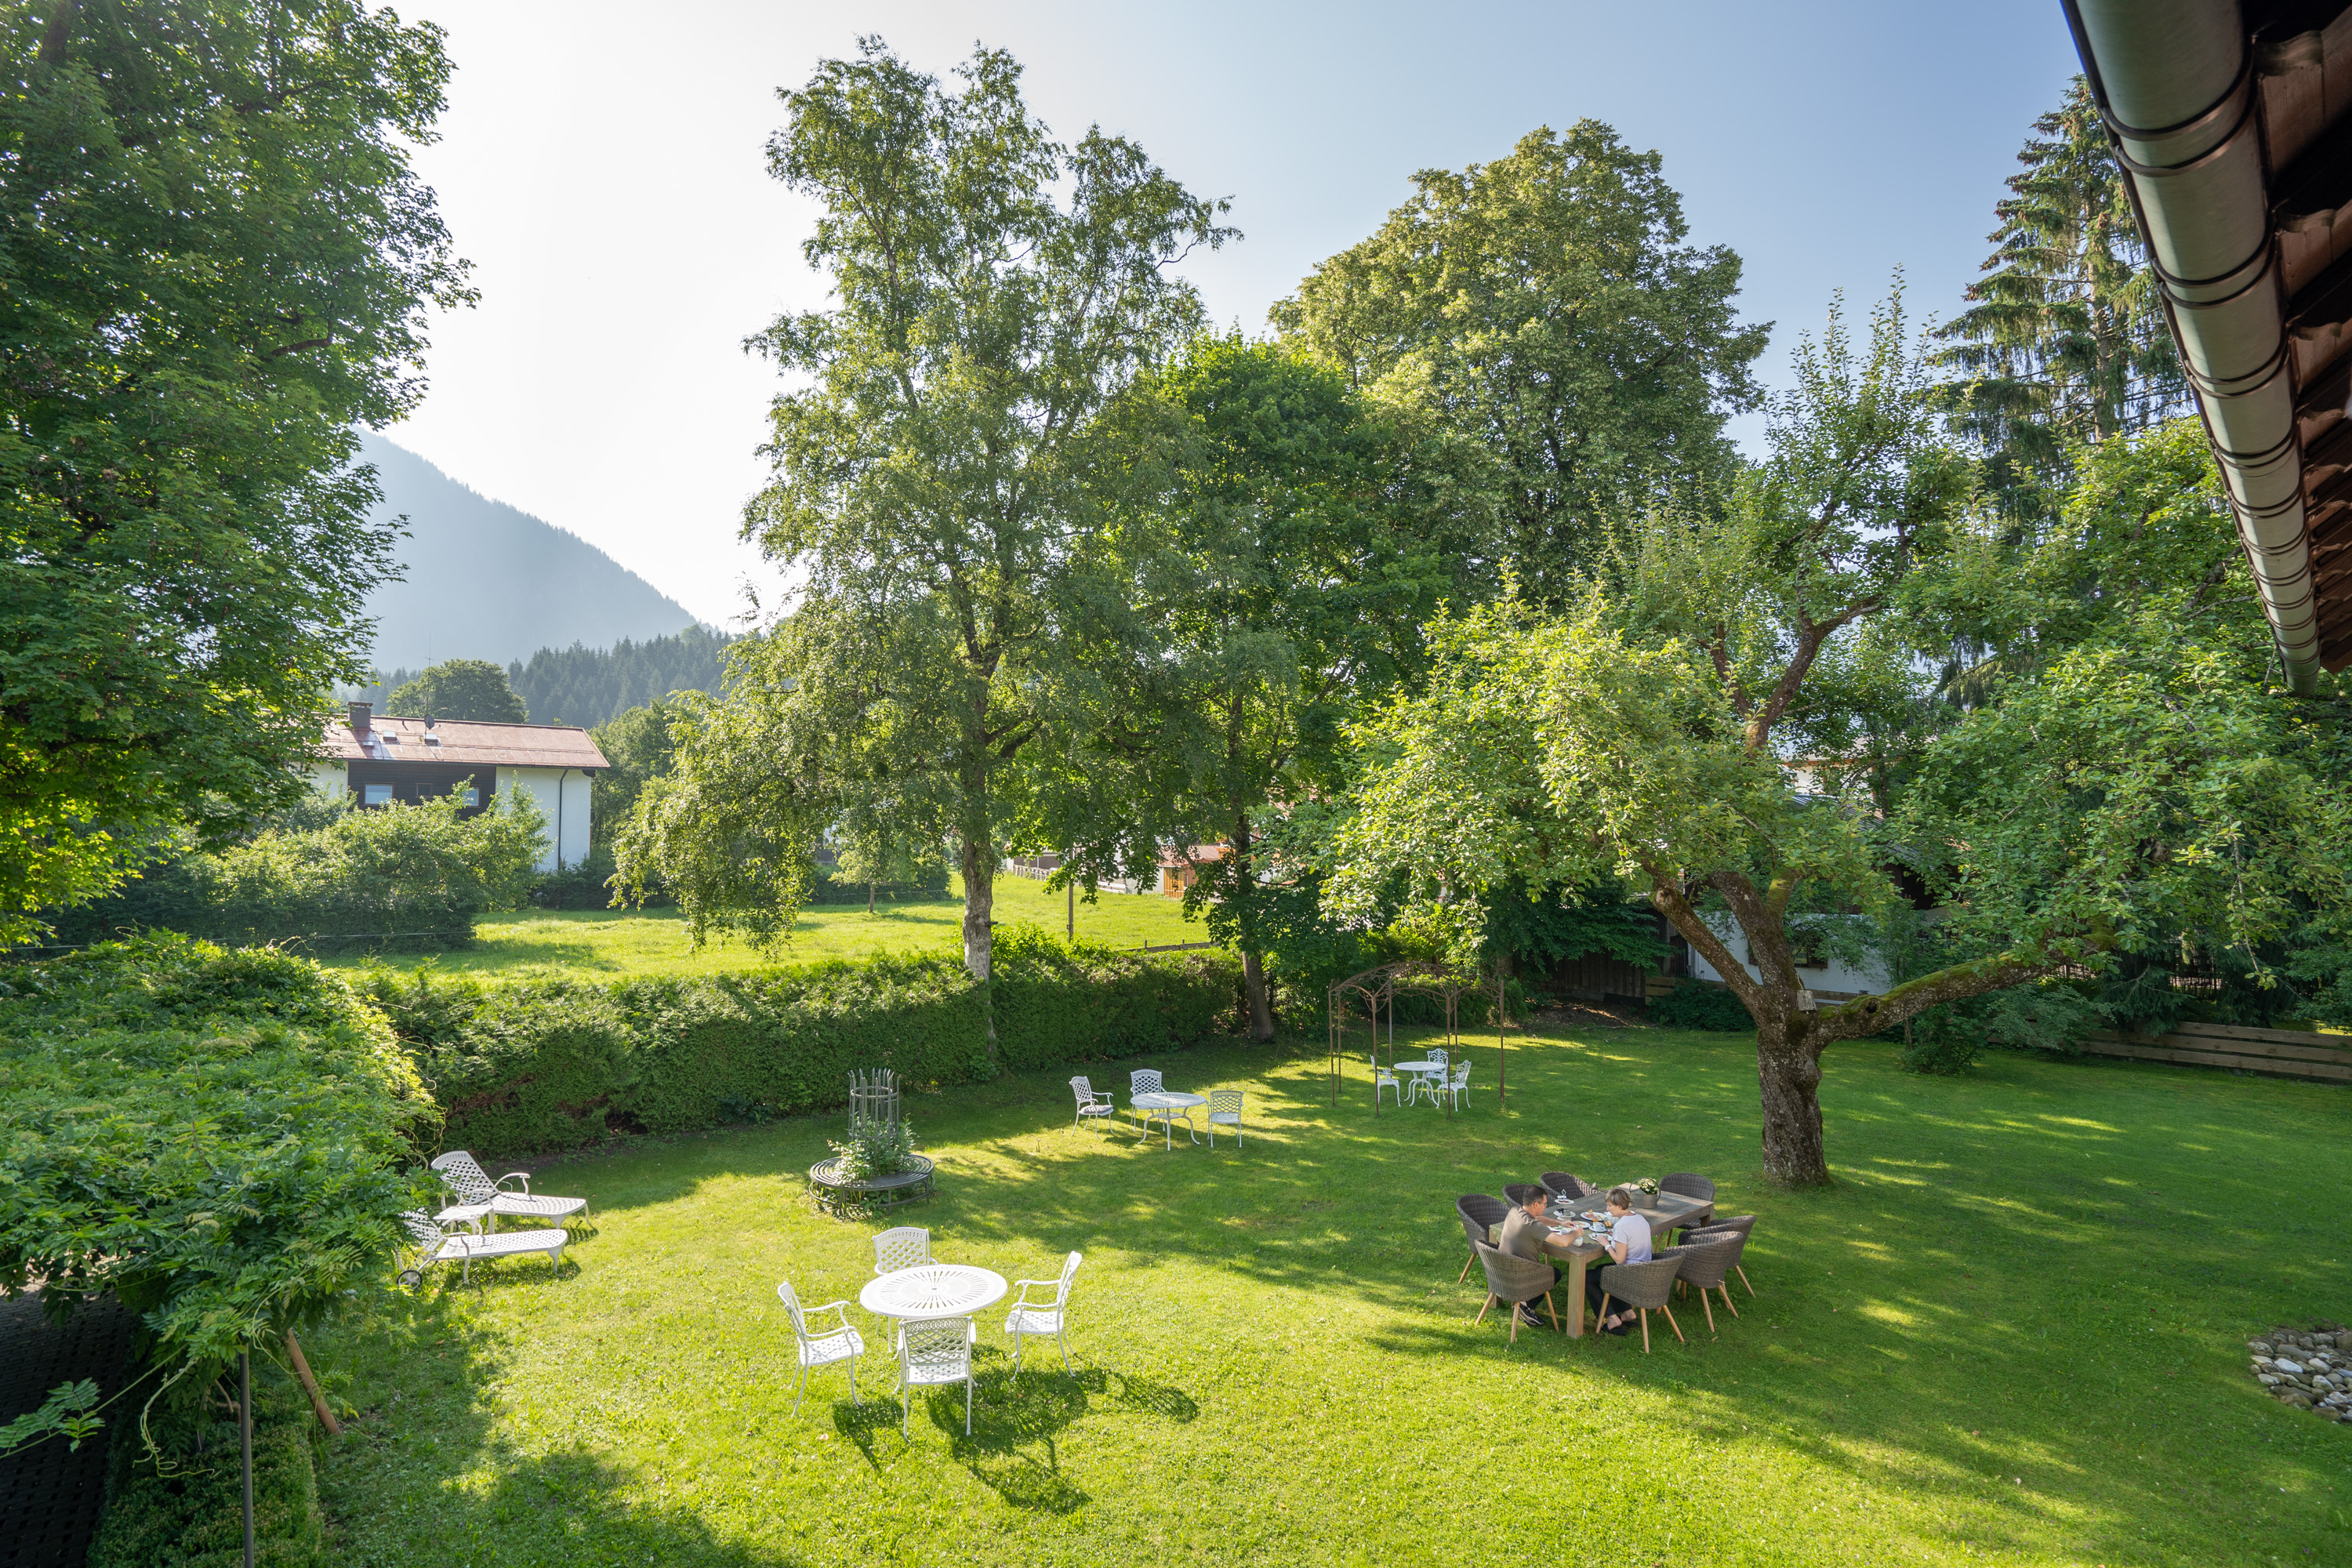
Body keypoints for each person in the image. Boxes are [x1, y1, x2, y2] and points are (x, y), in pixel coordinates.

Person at [1582, 1185, 1654, 1336]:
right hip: (1646, 1270)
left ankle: (1612, 1319)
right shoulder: (1640, 1218)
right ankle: (1628, 1313)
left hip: (1629, 1275)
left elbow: (1620, 1260)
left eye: (1610, 1206)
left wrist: (1606, 1244)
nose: (1608, 1209)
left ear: (1620, 1206)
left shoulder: (1621, 1226)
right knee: (1602, 1268)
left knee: (1586, 1277)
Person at [1498, 1187, 1560, 1331]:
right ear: (1536, 1205)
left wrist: (1560, 1223)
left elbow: (1538, 1219)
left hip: (1500, 1271)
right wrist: (1577, 1232)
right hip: (1522, 1279)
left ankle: (1522, 1305)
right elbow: (1564, 1242)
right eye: (1545, 1204)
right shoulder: (1534, 1227)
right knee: (1555, 1273)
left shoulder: (1514, 1211)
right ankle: (1526, 1306)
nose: (1546, 1206)